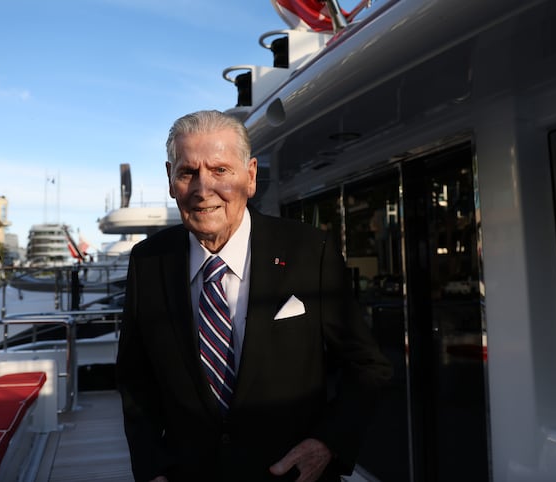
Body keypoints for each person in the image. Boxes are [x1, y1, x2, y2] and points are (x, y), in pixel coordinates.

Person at [117, 110, 392, 481]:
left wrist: (328, 443)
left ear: (250, 176)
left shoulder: (311, 252)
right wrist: (153, 468)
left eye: (219, 171)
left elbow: (367, 365)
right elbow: (136, 378)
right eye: (187, 173)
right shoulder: (148, 262)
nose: (202, 190)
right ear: (170, 180)